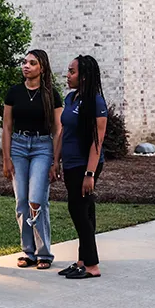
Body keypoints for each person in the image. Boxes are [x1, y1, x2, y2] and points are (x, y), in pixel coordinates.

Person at [2, 49, 63, 270]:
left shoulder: (51, 94)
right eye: (25, 62)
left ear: (42, 68)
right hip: (18, 146)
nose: (26, 66)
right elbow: (7, 126)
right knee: (21, 201)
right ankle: (28, 252)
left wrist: (57, 160)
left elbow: (58, 129)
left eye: (32, 63)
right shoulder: (14, 92)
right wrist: (6, 157)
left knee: (36, 200)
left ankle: (44, 252)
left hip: (42, 147)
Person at [57, 55, 109, 279]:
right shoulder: (70, 98)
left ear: (84, 76)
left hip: (85, 164)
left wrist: (90, 174)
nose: (67, 76)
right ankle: (82, 260)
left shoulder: (96, 102)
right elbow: (62, 132)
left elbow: (97, 140)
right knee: (85, 211)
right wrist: (54, 161)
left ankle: (92, 265)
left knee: (78, 211)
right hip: (69, 163)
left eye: (72, 72)